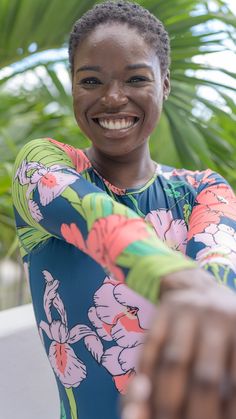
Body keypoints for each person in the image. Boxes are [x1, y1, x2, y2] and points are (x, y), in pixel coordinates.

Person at [12, 1, 236, 419]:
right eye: (91, 80)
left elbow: (219, 266)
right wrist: (189, 287)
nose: (113, 98)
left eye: (136, 78)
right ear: (73, 86)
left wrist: (210, 291)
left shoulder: (205, 190)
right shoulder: (42, 168)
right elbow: (101, 220)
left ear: (165, 84)